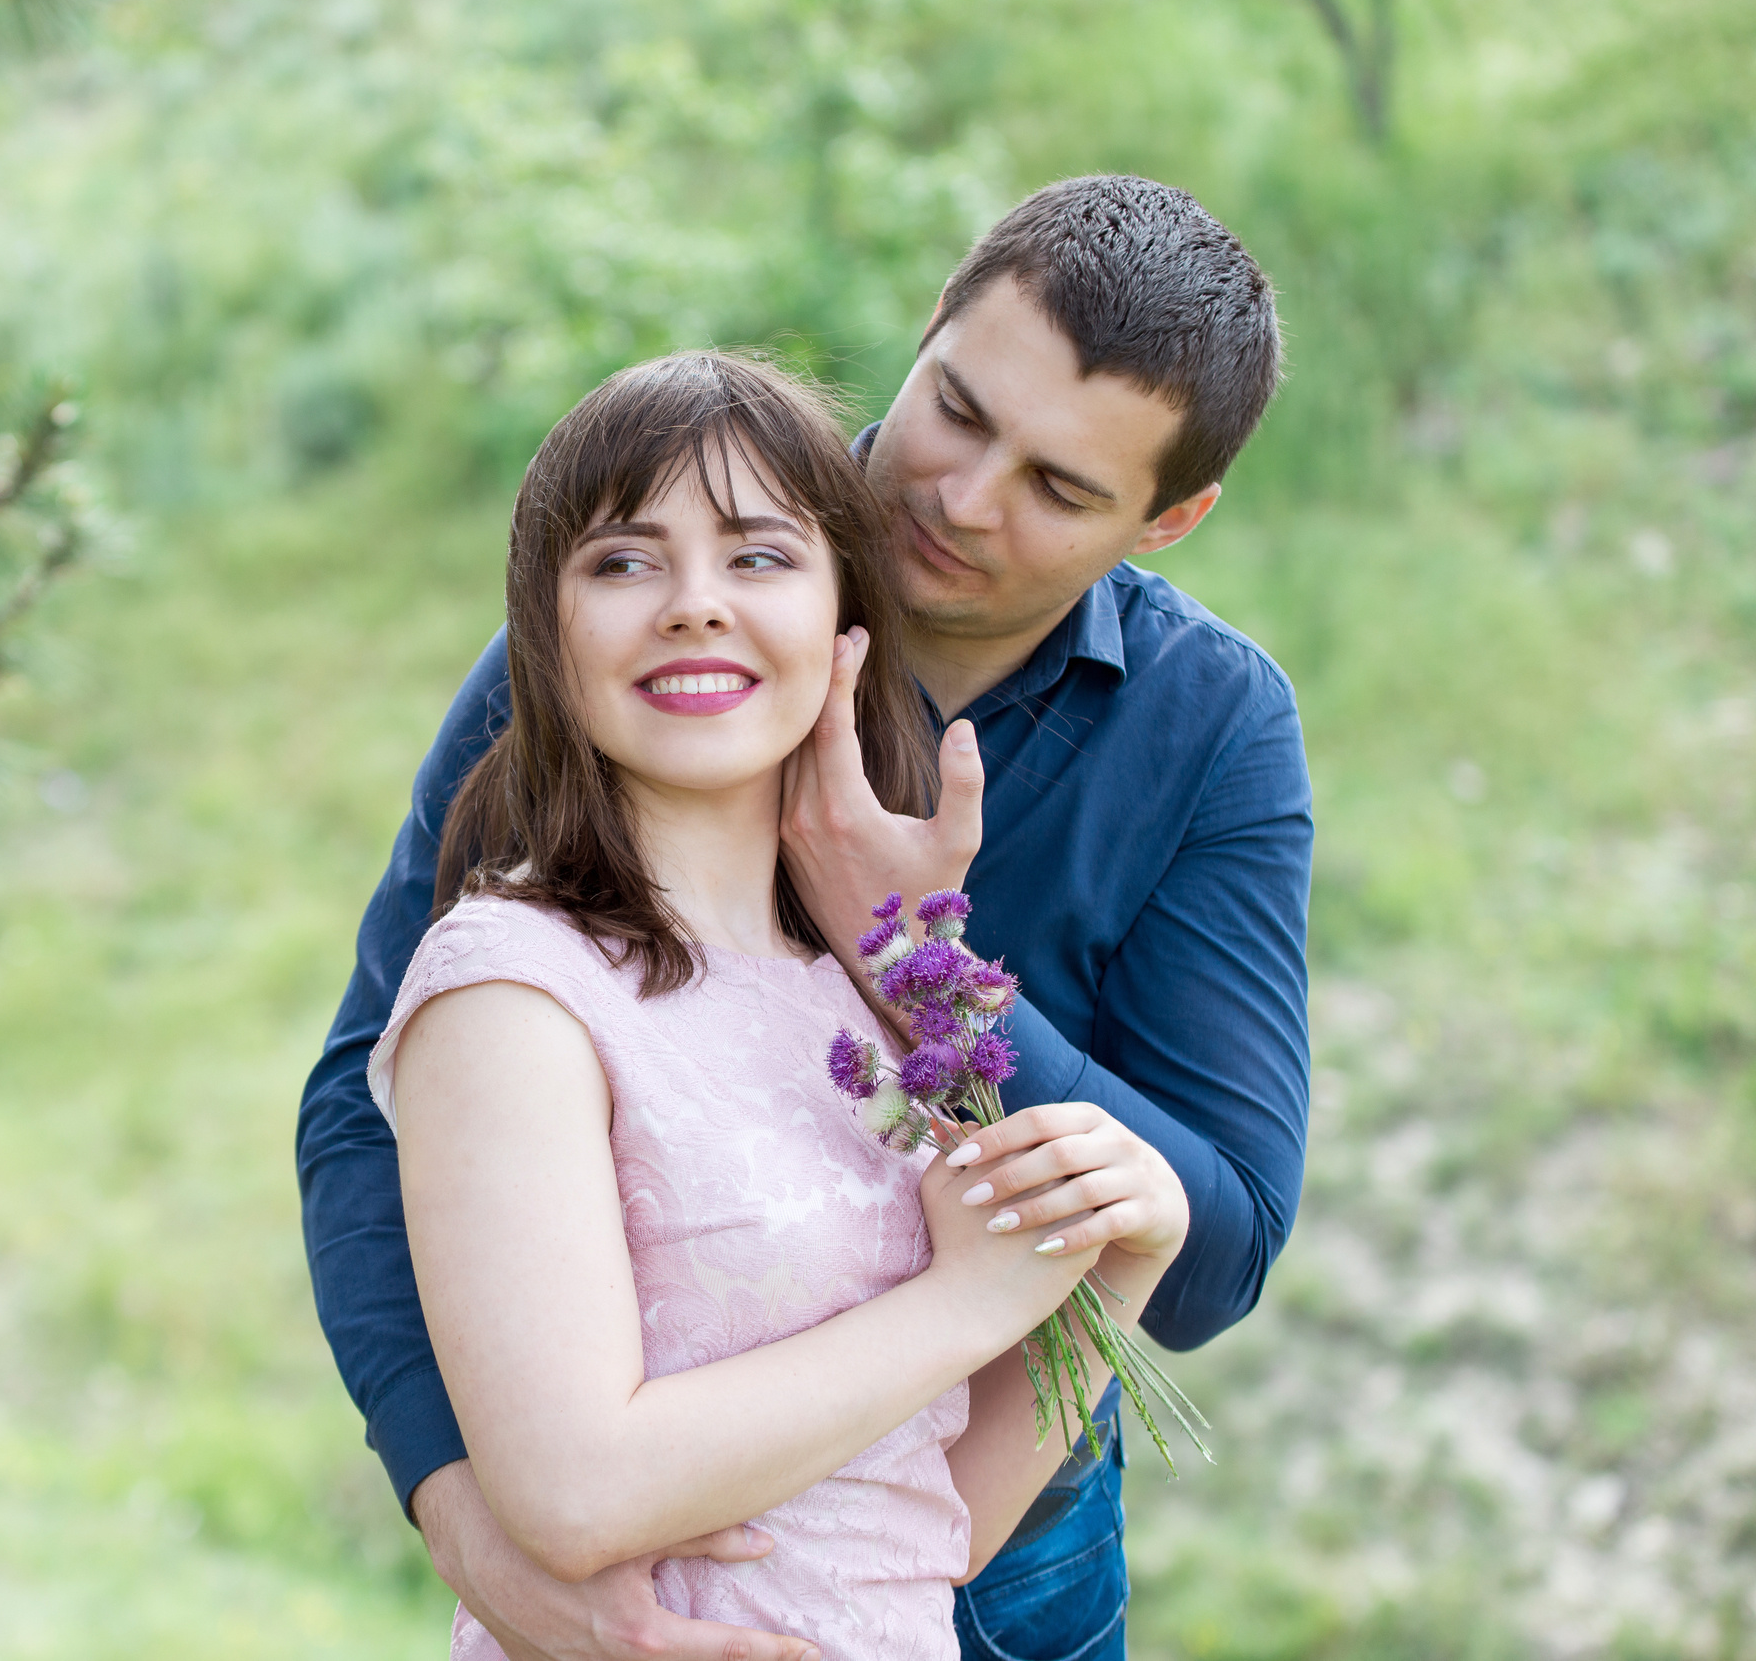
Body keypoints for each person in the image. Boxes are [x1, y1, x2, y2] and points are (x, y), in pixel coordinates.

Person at [299, 174, 1311, 1661]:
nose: (963, 498)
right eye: (957, 409)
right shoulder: (646, 633)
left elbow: (1211, 1250)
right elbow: (368, 1094)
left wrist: (912, 957)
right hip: (640, 1552)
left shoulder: (1206, 727)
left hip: (996, 1539)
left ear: (1171, 519)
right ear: (923, 339)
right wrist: (468, 1516)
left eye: (1059, 487)